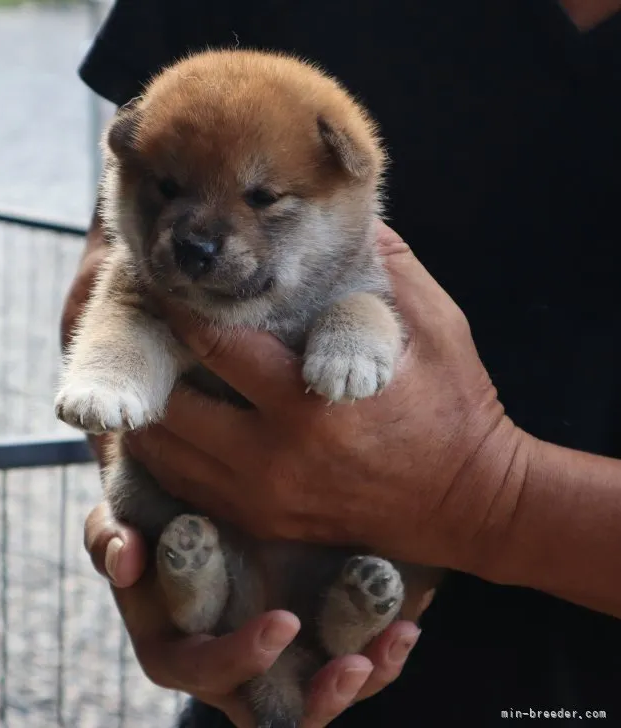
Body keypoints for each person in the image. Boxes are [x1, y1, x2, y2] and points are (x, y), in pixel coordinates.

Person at [62, 1, 621, 725]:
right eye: (172, 194)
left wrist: (486, 501)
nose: (199, 235)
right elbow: (104, 277)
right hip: (243, 651)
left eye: (263, 199)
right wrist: (141, 503)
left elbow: (364, 311)